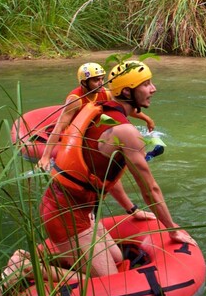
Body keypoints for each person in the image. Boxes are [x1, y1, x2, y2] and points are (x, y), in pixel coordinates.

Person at [40, 60, 195, 278]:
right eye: (146, 84)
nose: (154, 88)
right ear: (127, 91)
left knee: (119, 259)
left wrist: (132, 209)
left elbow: (104, 176)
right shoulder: (126, 133)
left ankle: (61, 259)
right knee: (109, 281)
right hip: (67, 216)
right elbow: (150, 190)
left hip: (78, 209)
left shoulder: (104, 112)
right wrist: (172, 229)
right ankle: (26, 267)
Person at [38, 62, 155, 170]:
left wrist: (147, 119)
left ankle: (140, 155)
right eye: (96, 80)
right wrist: (45, 157)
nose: (101, 83)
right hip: (79, 135)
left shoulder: (106, 93)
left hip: (96, 131)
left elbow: (127, 108)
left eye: (102, 79)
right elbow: (59, 127)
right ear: (84, 83)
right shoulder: (75, 100)